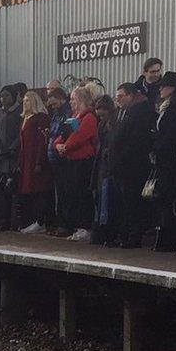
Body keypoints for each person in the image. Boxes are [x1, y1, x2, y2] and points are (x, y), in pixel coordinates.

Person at [107, 83, 155, 248]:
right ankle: (124, 234)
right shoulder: (122, 112)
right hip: (120, 165)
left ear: (131, 95)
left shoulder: (139, 112)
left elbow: (134, 140)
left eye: (121, 96)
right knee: (123, 202)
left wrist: (119, 157)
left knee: (132, 202)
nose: (118, 99)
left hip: (132, 165)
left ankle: (133, 236)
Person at [149, 72, 176, 252]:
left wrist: (156, 145)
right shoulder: (171, 106)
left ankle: (169, 237)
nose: (160, 88)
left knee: (167, 197)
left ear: (172, 88)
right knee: (165, 197)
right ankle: (167, 236)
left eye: (163, 86)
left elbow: (171, 135)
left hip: (170, 160)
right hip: (166, 159)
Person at [54, 87, 99, 242]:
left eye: (73, 99)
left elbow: (81, 135)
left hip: (84, 162)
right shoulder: (73, 116)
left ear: (81, 100)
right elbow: (62, 134)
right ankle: (76, 225)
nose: (71, 102)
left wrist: (65, 146)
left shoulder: (89, 117)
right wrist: (58, 145)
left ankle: (85, 226)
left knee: (83, 195)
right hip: (71, 160)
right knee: (73, 194)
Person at [16, 92, 52, 234]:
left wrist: (39, 161)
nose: (26, 103)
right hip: (26, 159)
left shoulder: (41, 118)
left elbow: (42, 141)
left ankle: (41, 221)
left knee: (39, 189)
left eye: (29, 101)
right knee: (28, 190)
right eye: (24, 101)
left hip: (36, 158)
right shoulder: (25, 118)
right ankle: (32, 220)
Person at [0, 85, 21, 230]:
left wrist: (12, 147)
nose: (3, 98)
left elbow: (21, 133)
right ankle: (2, 221)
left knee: (13, 190)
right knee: (0, 192)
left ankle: (14, 222)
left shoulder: (18, 112)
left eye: (7, 95)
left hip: (13, 156)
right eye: (2, 95)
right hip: (0, 156)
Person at [89, 95, 117, 246]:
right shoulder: (104, 125)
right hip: (102, 166)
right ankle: (102, 232)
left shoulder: (111, 125)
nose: (100, 118)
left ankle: (105, 232)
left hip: (106, 167)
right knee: (101, 200)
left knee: (106, 201)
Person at [45, 87, 71, 235]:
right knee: (59, 192)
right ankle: (60, 222)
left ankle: (65, 224)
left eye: (55, 104)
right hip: (54, 157)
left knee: (64, 193)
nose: (53, 107)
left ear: (62, 99)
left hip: (63, 158)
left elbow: (64, 133)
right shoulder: (56, 114)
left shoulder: (67, 113)